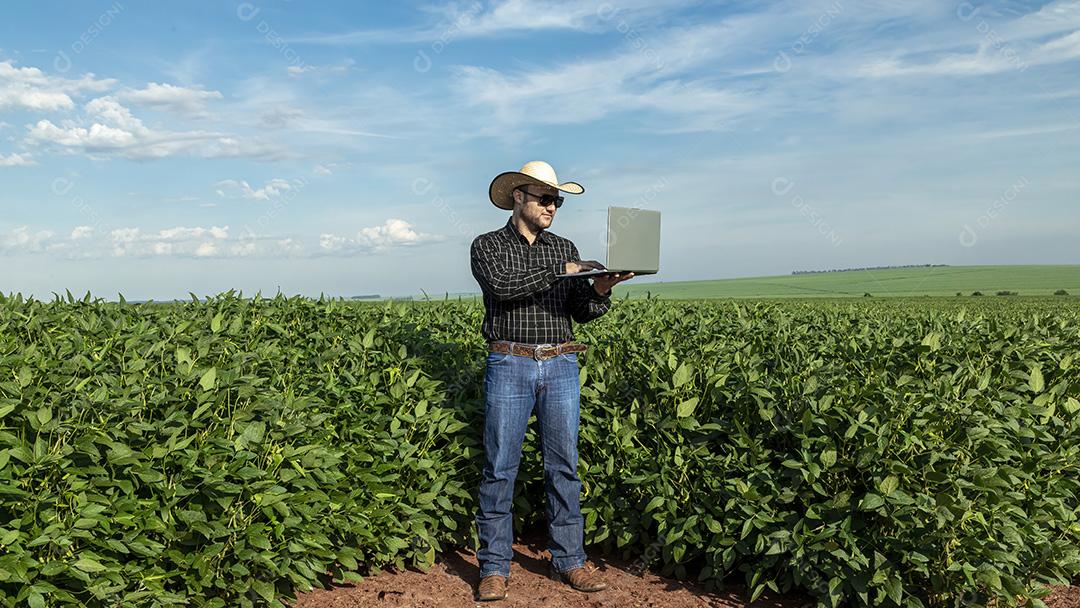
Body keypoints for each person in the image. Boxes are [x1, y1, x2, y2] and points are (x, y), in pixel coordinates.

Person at [469, 160, 634, 601]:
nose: (553, 205)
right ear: (519, 196)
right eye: (545, 197)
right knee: (500, 468)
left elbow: (580, 310)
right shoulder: (488, 246)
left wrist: (600, 288)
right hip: (510, 362)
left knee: (564, 466)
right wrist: (564, 270)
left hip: (561, 363)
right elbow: (503, 287)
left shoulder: (564, 247)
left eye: (557, 200)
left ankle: (570, 562)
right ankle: (495, 567)